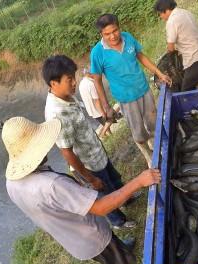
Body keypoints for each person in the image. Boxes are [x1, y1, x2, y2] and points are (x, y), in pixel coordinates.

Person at [2, 116, 160, 264]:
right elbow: (101, 207)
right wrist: (139, 181)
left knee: (109, 255)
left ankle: (120, 248)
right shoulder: (52, 185)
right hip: (91, 236)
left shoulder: (11, 183)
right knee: (114, 262)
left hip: (71, 237)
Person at [43, 55, 136, 229]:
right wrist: (91, 179)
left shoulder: (67, 97)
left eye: (73, 77)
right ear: (53, 83)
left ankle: (125, 199)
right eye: (69, 79)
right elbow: (67, 153)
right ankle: (119, 222)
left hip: (97, 153)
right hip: (89, 166)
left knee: (114, 179)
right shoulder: (56, 114)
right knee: (104, 193)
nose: (74, 83)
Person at [89, 14, 171, 166]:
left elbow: (141, 57)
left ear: (119, 28)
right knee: (138, 132)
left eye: (115, 31)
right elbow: (97, 80)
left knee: (153, 122)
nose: (113, 36)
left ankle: (158, 146)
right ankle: (147, 154)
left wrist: (159, 74)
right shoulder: (97, 53)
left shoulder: (128, 38)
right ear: (101, 34)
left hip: (144, 89)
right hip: (126, 99)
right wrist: (106, 106)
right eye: (107, 34)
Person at [155, 0, 198, 91]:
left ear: (166, 10)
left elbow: (171, 48)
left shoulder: (172, 21)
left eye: (160, 14)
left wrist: (169, 61)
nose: (161, 17)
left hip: (194, 60)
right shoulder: (186, 12)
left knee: (186, 91)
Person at [79, 67, 121, 138]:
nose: (91, 73)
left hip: (91, 110)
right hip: (98, 109)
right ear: (87, 73)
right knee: (110, 120)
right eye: (90, 72)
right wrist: (102, 112)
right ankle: (102, 133)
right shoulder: (90, 84)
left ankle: (110, 135)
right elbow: (96, 100)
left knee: (104, 123)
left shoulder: (81, 84)